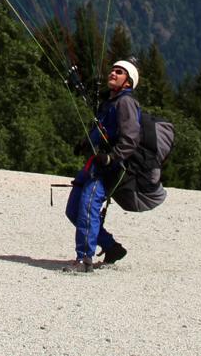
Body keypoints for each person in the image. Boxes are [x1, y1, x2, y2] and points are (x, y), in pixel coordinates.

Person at [64, 59, 141, 272]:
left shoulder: (126, 103)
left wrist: (112, 157)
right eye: (113, 70)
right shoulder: (109, 104)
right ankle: (111, 247)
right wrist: (84, 143)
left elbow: (131, 139)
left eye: (119, 72)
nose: (113, 73)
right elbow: (102, 131)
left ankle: (84, 260)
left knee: (88, 206)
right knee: (73, 210)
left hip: (110, 168)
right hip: (94, 165)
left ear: (128, 82)